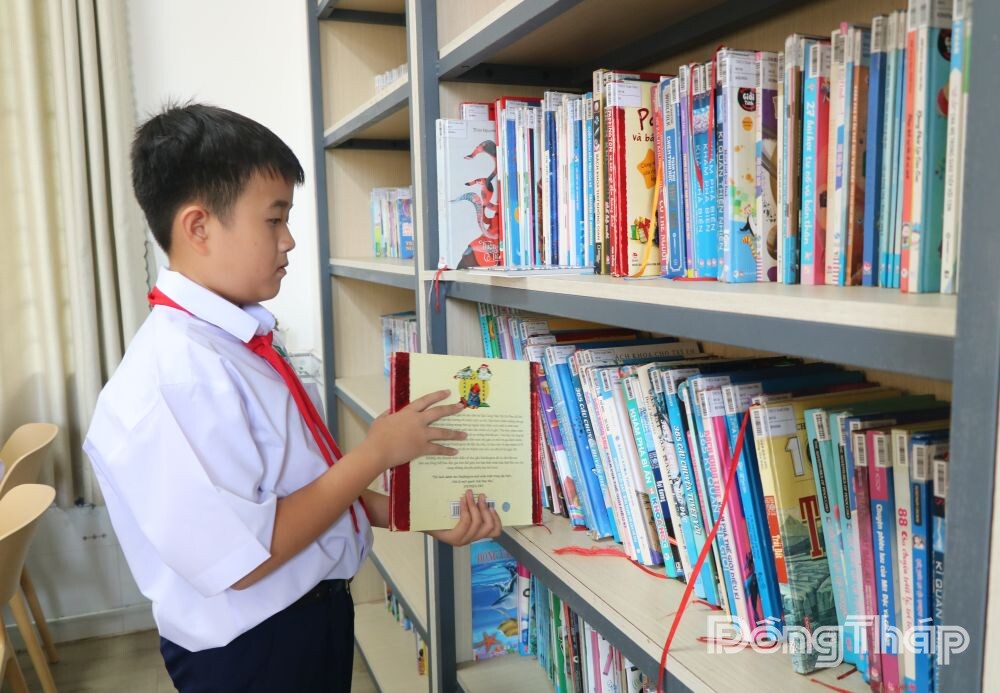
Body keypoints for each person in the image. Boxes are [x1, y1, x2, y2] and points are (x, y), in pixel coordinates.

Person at [83, 103, 501, 692]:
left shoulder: (238, 339)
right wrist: (375, 453)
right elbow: (248, 556)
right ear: (198, 227)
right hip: (255, 651)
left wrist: (418, 515)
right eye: (274, 219)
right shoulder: (172, 379)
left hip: (311, 617)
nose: (290, 240)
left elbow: (297, 488)